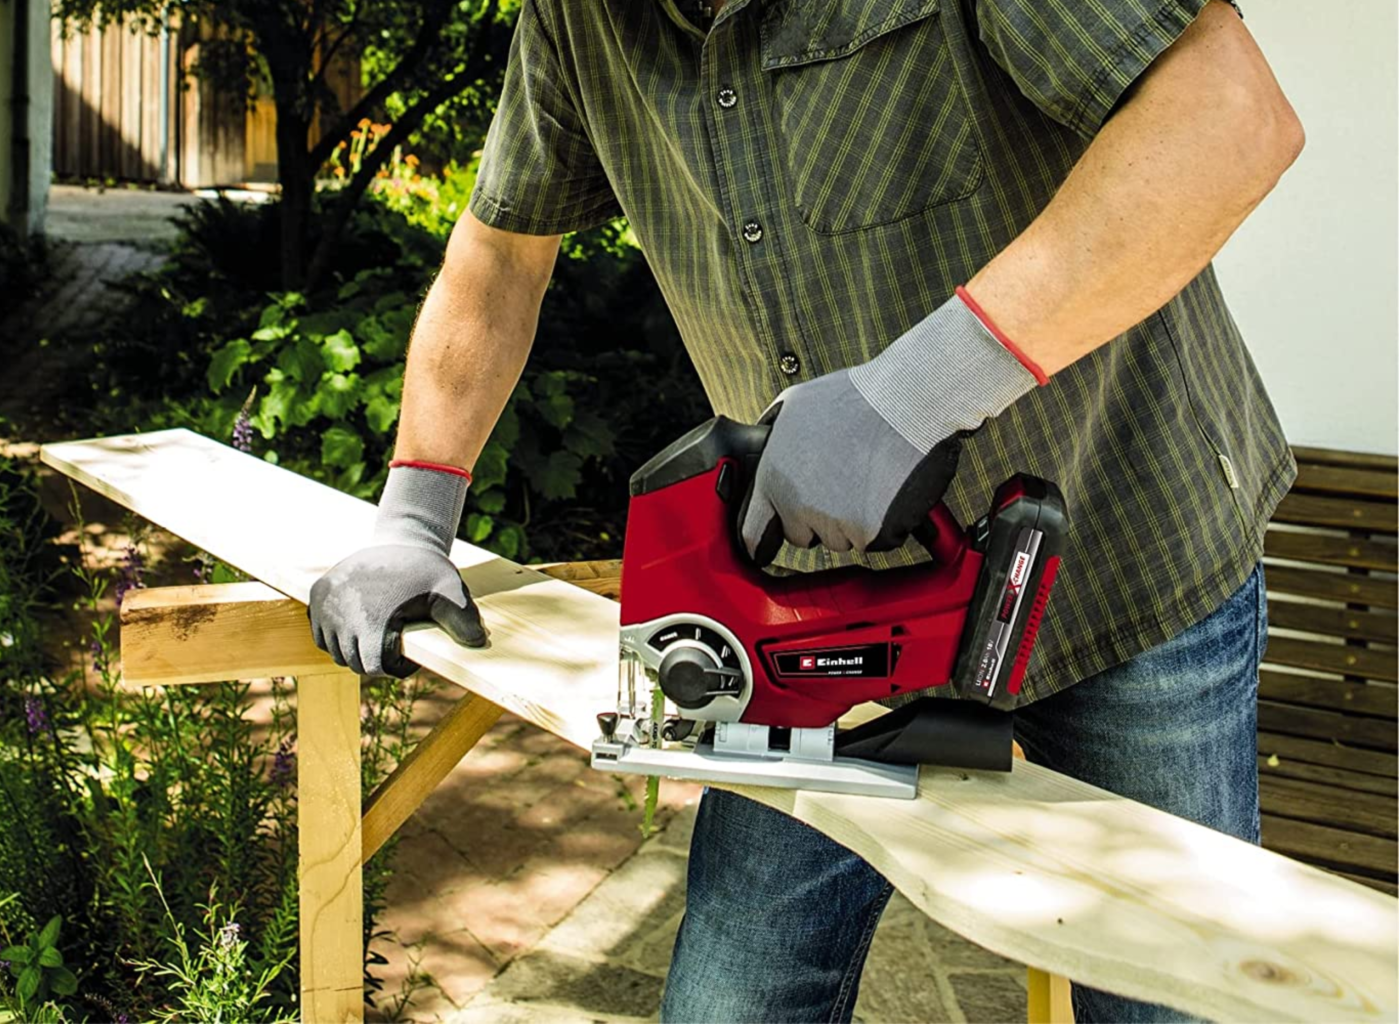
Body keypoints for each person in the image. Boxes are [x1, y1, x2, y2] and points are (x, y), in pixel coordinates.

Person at [307, 0, 1304, 1019]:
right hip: (821, 621)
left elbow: (1228, 119)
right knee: (735, 996)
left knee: (1171, 995)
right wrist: (415, 513)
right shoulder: (577, 18)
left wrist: (916, 392)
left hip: (1119, 546)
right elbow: (498, 259)